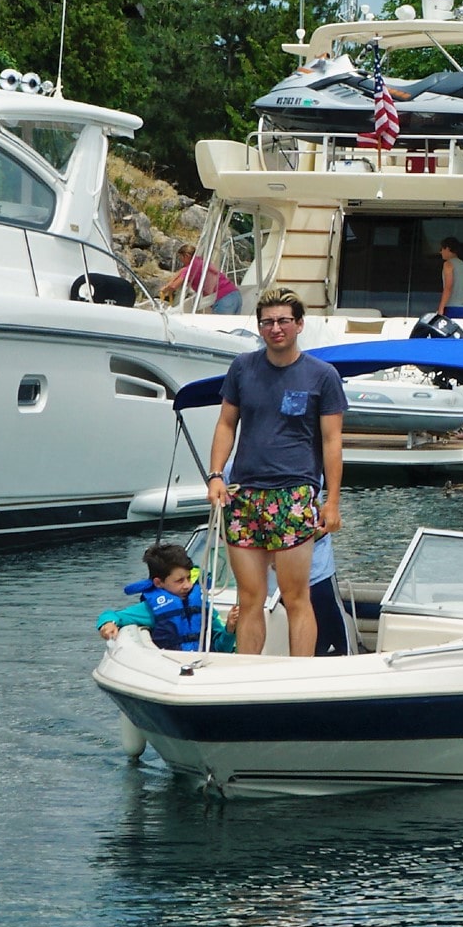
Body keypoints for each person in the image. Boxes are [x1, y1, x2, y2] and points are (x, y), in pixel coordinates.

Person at [207, 288, 346, 657]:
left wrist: (331, 502)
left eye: (284, 320)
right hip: (245, 494)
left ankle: (299, 678)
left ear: (299, 324)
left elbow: (332, 442)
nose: (276, 328)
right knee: (250, 597)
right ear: (259, 327)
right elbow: (225, 425)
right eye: (267, 322)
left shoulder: (322, 376)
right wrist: (216, 475)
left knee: (296, 596)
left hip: (295, 494)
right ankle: (244, 675)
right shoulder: (242, 368)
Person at [95, 542, 232, 652]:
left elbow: (221, 647)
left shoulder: (202, 606)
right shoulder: (150, 609)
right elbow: (113, 615)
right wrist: (107, 623)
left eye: (188, 578)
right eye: (179, 581)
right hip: (172, 668)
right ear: (158, 583)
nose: (187, 585)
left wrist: (230, 630)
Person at [161, 241, 241, 314]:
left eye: (181, 257)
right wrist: (169, 284)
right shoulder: (201, 262)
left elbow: (174, 286)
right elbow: (181, 271)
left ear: (186, 256)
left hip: (223, 299)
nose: (181, 260)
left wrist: (164, 290)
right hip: (235, 295)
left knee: (219, 329)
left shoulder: (191, 268)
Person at [437, 237, 463, 319]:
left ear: (447, 248)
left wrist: (441, 308)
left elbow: (448, 287)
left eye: (442, 249)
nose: (440, 252)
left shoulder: (448, 264)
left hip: (451, 307)